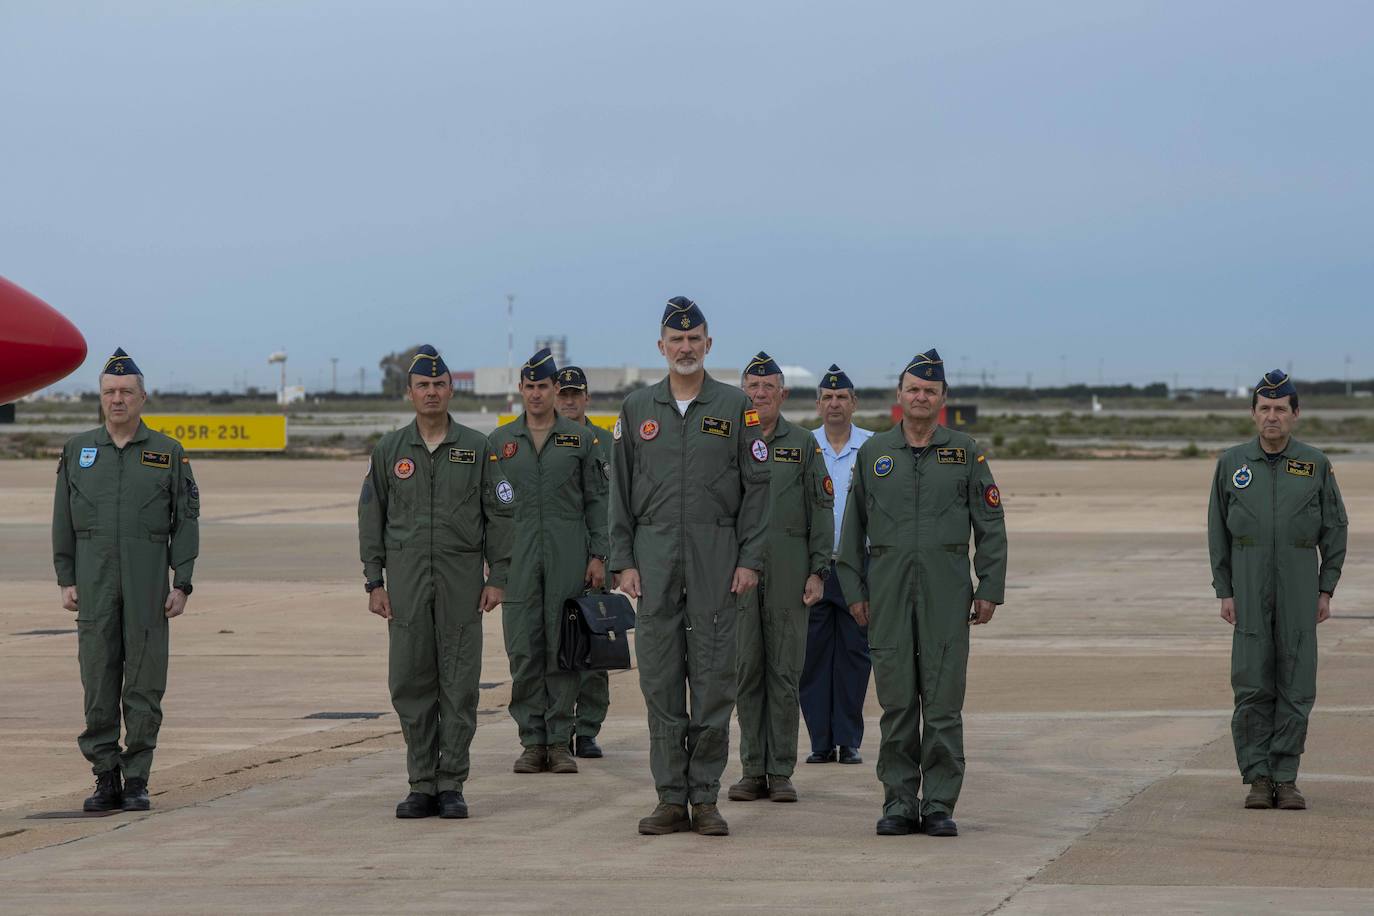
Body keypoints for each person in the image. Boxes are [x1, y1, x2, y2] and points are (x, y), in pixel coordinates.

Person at [609, 296, 768, 837]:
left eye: (693, 339)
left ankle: (705, 798)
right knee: (659, 680)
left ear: (708, 344)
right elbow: (620, 493)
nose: (685, 347)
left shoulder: (733, 407)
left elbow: (757, 490)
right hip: (653, 559)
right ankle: (669, 798)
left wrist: (749, 560)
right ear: (661, 346)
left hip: (717, 557)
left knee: (714, 679)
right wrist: (623, 561)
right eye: (675, 340)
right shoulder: (636, 409)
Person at [836, 348, 1008, 837]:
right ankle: (897, 802)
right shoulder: (875, 454)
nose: (920, 397)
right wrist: (854, 590)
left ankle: (938, 804)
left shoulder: (965, 452)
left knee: (943, 703)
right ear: (899, 395)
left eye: (930, 390)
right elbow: (852, 531)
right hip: (888, 589)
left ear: (942, 398)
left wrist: (989, 586)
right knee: (896, 704)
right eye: (913, 389)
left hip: (946, 589)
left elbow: (990, 524)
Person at [358, 345, 514, 819]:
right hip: (405, 582)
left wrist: (498, 575)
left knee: (459, 684)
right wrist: (374, 581)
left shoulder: (478, 447)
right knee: (410, 682)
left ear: (450, 390)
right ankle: (420, 783)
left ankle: (452, 784)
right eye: (422, 385)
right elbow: (372, 517)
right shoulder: (390, 450)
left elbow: (500, 514)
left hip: (461, 578)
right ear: (409, 393)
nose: (431, 392)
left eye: (438, 385)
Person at [53, 348, 200, 813]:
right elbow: (63, 519)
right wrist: (65, 576)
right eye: (109, 392)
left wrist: (183, 582)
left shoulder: (167, 453)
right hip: (94, 583)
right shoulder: (78, 451)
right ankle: (104, 777)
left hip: (148, 584)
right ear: (100, 397)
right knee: (97, 680)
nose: (117, 399)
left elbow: (187, 520)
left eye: (126, 392)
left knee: (143, 683)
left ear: (143, 397)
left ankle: (136, 778)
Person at [1208, 368, 1347, 811]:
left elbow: (1336, 529)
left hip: (1299, 585)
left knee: (1296, 682)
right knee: (1251, 683)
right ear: (1252, 414)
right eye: (1264, 409)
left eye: (1280, 410)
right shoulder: (1231, 464)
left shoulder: (1315, 465)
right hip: (1247, 586)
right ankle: (1257, 776)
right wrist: (1224, 590)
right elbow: (1217, 532)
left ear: (1295, 414)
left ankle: (1285, 778)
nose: (1272, 417)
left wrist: (1325, 589)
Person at [490, 349, 609, 775]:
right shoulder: (500, 443)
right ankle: (531, 740)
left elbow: (598, 502)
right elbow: (489, 509)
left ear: (556, 390)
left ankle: (559, 742)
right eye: (530, 386)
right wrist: (492, 567)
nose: (537, 393)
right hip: (519, 561)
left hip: (568, 558)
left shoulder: (581, 441)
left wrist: (599, 556)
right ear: (521, 390)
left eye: (544, 386)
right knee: (523, 651)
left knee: (565, 650)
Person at [727, 352, 833, 804]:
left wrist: (818, 569)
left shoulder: (804, 444)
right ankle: (753, 769)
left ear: (783, 394)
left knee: (785, 672)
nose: (760, 393)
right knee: (746, 671)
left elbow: (822, 509)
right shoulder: (732, 439)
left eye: (769, 386)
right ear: (743, 392)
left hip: (790, 570)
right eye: (753, 385)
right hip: (741, 573)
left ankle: (781, 770)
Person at [800, 363, 873, 765]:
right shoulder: (804, 446)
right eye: (827, 397)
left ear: (854, 403)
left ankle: (849, 739)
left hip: (856, 566)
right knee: (811, 657)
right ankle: (820, 742)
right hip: (814, 567)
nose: (834, 404)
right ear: (817, 404)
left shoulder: (873, 448)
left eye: (841, 397)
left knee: (854, 656)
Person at [555, 365, 612, 758]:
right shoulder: (540, 442)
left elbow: (618, 504)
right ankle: (552, 728)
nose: (570, 400)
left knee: (594, 651)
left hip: (595, 562)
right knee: (552, 648)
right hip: (551, 559)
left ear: (587, 398)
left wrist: (608, 557)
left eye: (576, 394)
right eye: (564, 394)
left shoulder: (607, 442)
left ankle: (587, 728)